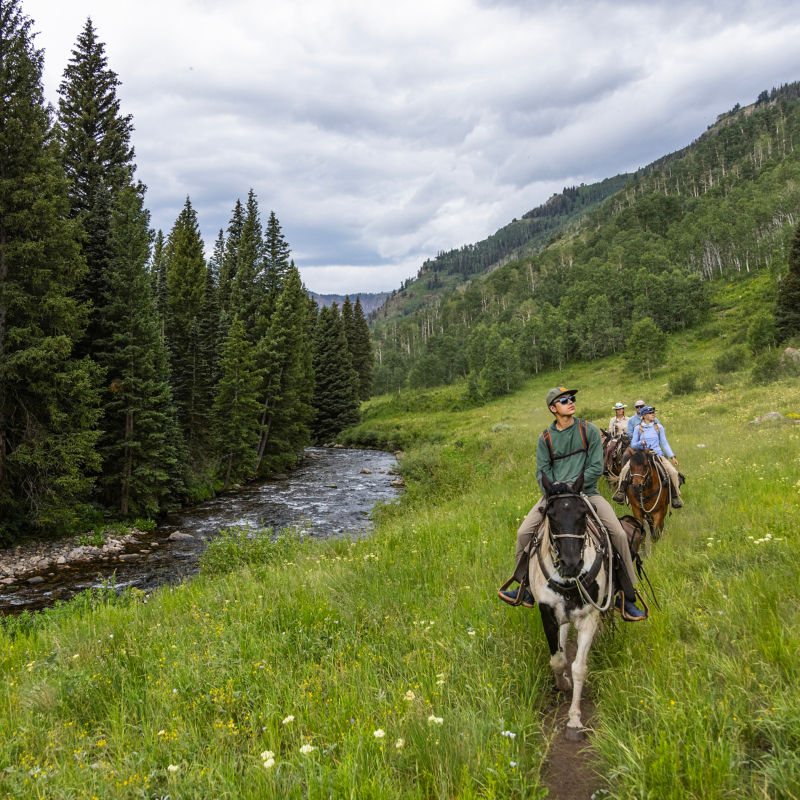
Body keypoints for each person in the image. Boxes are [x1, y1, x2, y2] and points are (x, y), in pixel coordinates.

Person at [499, 387, 646, 620]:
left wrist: (574, 488)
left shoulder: (588, 430)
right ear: (553, 408)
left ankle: (626, 596)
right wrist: (557, 492)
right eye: (564, 400)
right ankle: (525, 588)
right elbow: (542, 472)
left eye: (572, 399)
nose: (571, 402)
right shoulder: (545, 439)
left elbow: (597, 467)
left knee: (617, 533)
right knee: (523, 533)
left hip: (586, 493)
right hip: (555, 497)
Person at [613, 406, 683, 508]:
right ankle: (621, 493)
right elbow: (633, 445)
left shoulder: (659, 427)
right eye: (650, 413)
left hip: (657, 454)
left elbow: (664, 443)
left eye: (653, 413)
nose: (653, 415)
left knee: (672, 472)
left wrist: (672, 456)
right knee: (625, 470)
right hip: (641, 455)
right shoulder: (638, 428)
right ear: (644, 416)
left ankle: (674, 497)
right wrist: (640, 443)